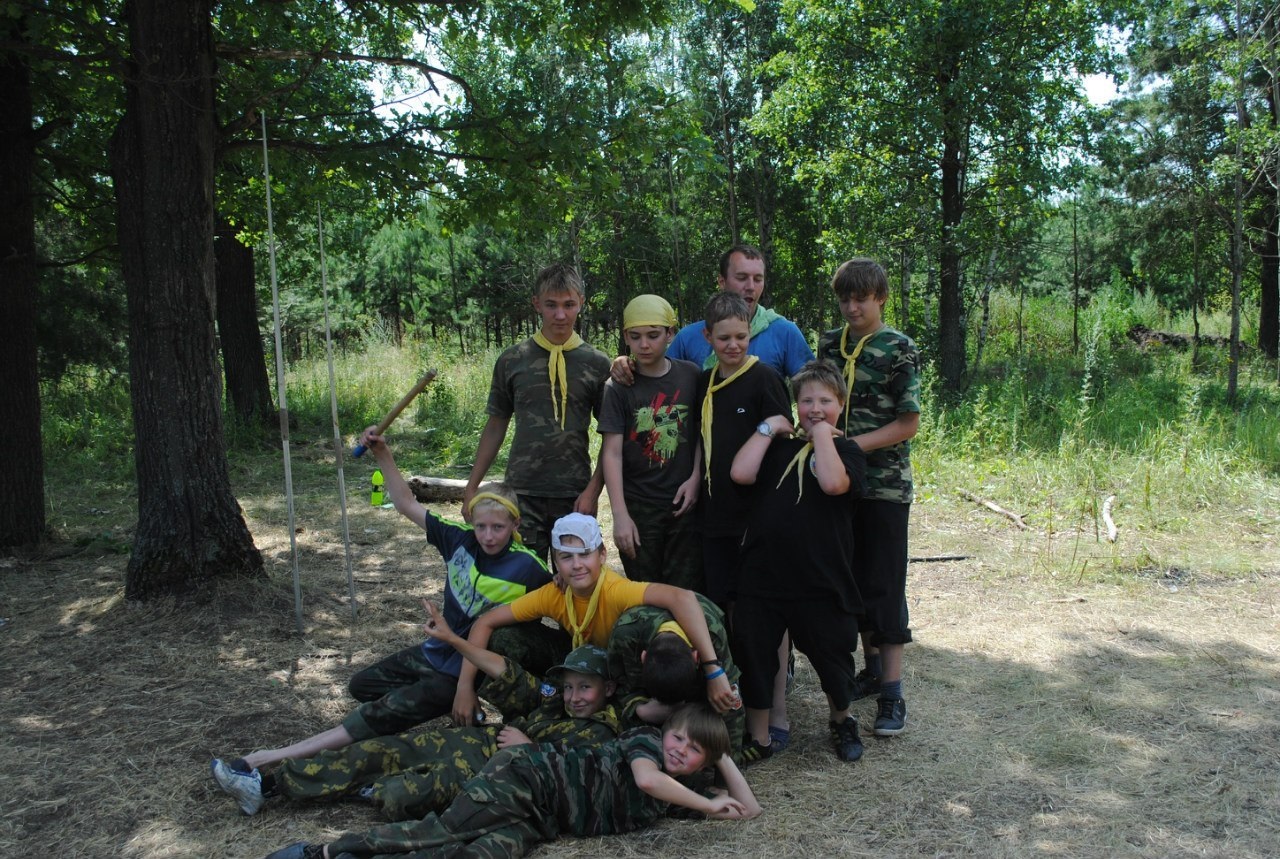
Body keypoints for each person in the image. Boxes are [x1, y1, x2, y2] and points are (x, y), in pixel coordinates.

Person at [210, 428, 562, 780]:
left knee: (377, 715)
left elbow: (562, 601)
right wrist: (382, 453)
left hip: (465, 670)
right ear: (471, 520)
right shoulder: (458, 539)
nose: (488, 536)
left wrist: (563, 578)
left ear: (515, 524)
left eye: (498, 528)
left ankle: (265, 760)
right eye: (481, 525)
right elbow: (406, 503)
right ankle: (434, 709)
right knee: (361, 686)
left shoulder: (529, 567)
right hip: (435, 652)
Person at [210, 601, 622, 821]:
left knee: (396, 797)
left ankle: (359, 787)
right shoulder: (554, 702)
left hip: (490, 776)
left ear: (609, 689)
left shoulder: (602, 735)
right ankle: (266, 785)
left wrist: (529, 749)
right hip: (469, 743)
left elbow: (574, 781)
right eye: (569, 687)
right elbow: (507, 672)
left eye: (585, 687)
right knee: (383, 750)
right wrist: (455, 641)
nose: (574, 697)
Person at [262, 704, 760, 859]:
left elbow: (750, 810)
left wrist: (724, 757)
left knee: (476, 855)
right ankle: (320, 852)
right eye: (679, 738)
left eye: (694, 750)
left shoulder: (682, 793)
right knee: (442, 830)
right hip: (525, 777)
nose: (680, 749)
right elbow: (648, 781)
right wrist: (707, 802)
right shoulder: (645, 743)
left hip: (541, 821)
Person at [451, 513, 740, 727]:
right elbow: (484, 622)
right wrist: (464, 688)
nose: (576, 565)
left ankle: (644, 715)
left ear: (602, 555)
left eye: (585, 554)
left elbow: (683, 598)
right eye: (566, 557)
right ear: (556, 562)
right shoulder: (553, 593)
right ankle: (535, 711)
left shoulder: (616, 590)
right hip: (581, 661)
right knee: (504, 637)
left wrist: (713, 669)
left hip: (620, 673)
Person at [729, 359, 868, 762]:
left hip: (820, 578)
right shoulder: (778, 449)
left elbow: (833, 483)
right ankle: (759, 736)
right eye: (807, 401)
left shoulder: (848, 452)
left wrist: (822, 434)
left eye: (825, 401)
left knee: (832, 653)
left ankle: (841, 719)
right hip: (763, 576)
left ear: (841, 405)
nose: (815, 408)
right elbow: (740, 473)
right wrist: (768, 427)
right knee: (755, 654)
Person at [816, 258, 921, 738]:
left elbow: (908, 423)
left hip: (884, 486)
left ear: (880, 298)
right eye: (845, 299)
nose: (852, 308)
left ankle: (893, 693)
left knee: (884, 584)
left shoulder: (898, 347)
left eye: (861, 299)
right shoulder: (828, 345)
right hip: (837, 484)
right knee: (850, 581)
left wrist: (851, 446)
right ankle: (872, 670)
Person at [462, 262, 612, 564]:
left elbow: (611, 434)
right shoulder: (513, 360)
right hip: (522, 492)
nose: (560, 315)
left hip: (574, 494)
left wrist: (593, 490)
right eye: (551, 305)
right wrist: (471, 488)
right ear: (536, 304)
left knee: (574, 579)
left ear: (581, 303)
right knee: (523, 579)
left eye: (569, 304)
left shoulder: (596, 363)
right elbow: (496, 425)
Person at [599, 294, 703, 592]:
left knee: (685, 593)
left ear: (670, 333)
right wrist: (620, 516)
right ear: (625, 337)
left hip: (684, 506)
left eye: (653, 335)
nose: (644, 344)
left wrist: (696, 478)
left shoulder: (691, 375)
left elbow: (701, 434)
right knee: (645, 593)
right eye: (635, 336)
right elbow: (612, 453)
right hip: (640, 508)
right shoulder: (617, 388)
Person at [613, 245, 813, 382]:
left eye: (758, 279)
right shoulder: (689, 337)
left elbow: (813, 387)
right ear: (722, 282)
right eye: (742, 278)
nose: (751, 287)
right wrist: (626, 365)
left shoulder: (784, 332)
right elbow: (657, 376)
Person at [606, 593, 749, 765]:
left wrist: (726, 773)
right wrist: (638, 709)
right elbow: (620, 689)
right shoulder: (625, 636)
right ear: (643, 658)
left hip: (694, 695)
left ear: (697, 658)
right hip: (651, 706)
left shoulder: (712, 636)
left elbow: (731, 707)